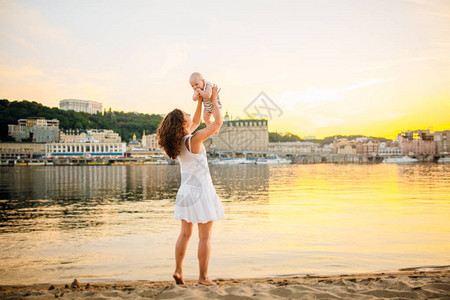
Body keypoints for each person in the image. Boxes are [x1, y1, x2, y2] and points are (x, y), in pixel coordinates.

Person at [156, 84, 225, 286]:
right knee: (205, 237)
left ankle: (178, 271)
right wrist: (212, 99)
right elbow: (217, 124)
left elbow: (195, 120)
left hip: (186, 191)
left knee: (185, 234)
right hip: (201, 191)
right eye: (185, 114)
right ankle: (203, 278)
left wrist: (202, 102)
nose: (189, 114)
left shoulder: (178, 141)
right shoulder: (193, 139)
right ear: (181, 123)